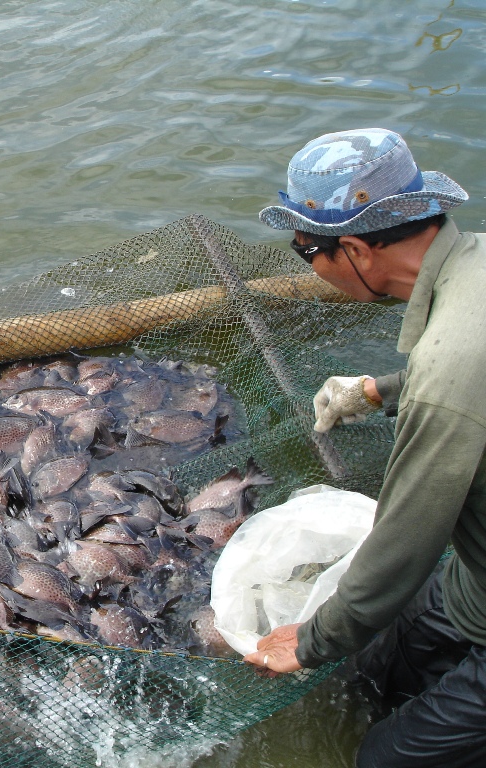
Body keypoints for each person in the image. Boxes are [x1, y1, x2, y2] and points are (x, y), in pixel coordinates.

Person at [242, 127, 486, 767]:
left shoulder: (450, 365)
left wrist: (314, 640)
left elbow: (408, 533)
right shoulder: (479, 262)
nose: (312, 270)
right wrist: (385, 389)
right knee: (388, 661)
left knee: (385, 759)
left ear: (351, 248)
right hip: (474, 581)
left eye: (304, 251)